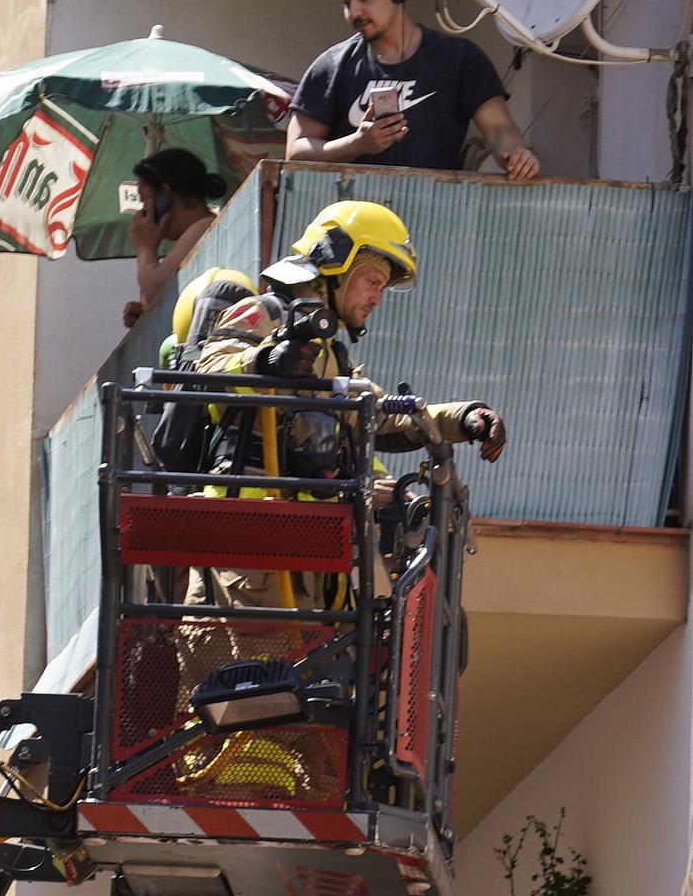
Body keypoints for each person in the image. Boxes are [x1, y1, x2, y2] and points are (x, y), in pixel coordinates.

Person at [186, 199, 507, 610]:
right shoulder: (263, 313)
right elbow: (206, 372)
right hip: (248, 541)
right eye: (372, 281)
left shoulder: (332, 356)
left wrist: (465, 419)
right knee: (250, 671)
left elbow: (382, 412)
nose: (377, 298)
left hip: (310, 549)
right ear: (335, 265)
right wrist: (266, 361)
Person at [287, 0, 540, 180]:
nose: (354, 12)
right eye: (346, 2)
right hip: (352, 218)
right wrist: (357, 144)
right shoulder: (332, 66)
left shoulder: (459, 58)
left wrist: (516, 155)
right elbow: (295, 152)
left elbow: (499, 129)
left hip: (437, 215)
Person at [124, 148, 227, 328]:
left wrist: (144, 247)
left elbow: (155, 287)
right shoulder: (197, 231)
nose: (143, 211)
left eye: (144, 200)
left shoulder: (203, 227)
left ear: (164, 193)